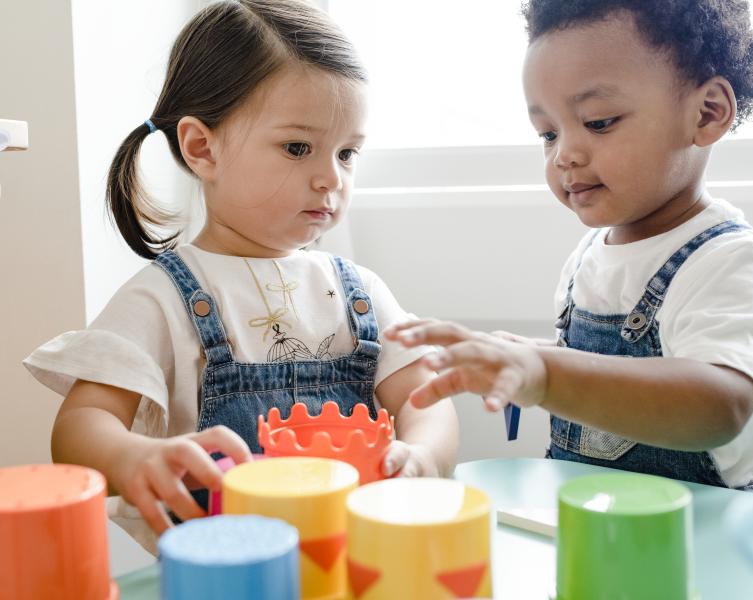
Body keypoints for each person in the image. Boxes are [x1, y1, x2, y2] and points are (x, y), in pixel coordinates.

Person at [24, 0, 457, 552]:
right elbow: (81, 426)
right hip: (223, 571)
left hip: (354, 562)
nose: (331, 178)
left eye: (347, 153)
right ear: (203, 148)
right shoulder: (163, 297)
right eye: (297, 147)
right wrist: (134, 456)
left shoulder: (361, 293)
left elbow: (425, 398)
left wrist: (423, 455)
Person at [386, 0, 753, 495]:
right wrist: (525, 357)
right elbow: (603, 368)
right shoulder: (589, 256)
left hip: (709, 549)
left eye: (599, 121)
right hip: (604, 536)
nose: (565, 153)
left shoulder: (731, 264)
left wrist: (547, 374)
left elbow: (721, 406)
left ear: (707, 112)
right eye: (547, 133)